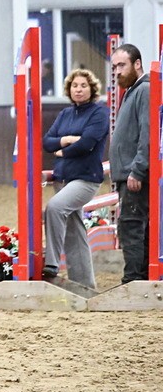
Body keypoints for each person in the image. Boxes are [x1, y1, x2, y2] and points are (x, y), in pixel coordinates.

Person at [41, 68, 109, 288]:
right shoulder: (65, 114)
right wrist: (66, 140)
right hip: (62, 178)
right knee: (74, 228)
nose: (78, 89)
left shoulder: (99, 113)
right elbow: (48, 141)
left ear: (92, 89)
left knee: (54, 208)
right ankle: (85, 285)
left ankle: (51, 264)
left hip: (85, 179)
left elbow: (87, 143)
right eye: (74, 86)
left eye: (83, 85)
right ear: (69, 90)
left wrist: (64, 150)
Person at [110, 44, 151, 284]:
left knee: (131, 225)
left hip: (134, 175)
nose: (117, 71)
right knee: (132, 225)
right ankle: (138, 277)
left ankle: (134, 280)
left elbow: (147, 133)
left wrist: (137, 169)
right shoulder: (133, 91)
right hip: (127, 173)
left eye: (122, 65)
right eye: (114, 66)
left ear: (137, 64)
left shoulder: (143, 90)